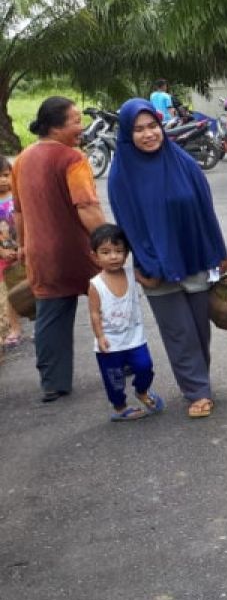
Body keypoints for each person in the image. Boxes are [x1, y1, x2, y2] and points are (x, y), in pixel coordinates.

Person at [108, 98, 227, 419]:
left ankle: (199, 380)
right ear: (126, 134)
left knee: (199, 330)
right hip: (154, 266)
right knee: (179, 333)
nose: (148, 135)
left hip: (194, 255)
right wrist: (147, 264)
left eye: (152, 127)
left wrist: (219, 252)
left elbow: (205, 210)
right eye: (139, 130)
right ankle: (197, 391)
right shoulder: (122, 174)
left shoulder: (182, 162)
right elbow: (129, 224)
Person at [11, 96, 106, 402]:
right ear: (55, 126)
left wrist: (24, 245)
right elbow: (86, 205)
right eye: (76, 121)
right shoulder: (72, 158)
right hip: (76, 250)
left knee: (51, 317)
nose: (81, 127)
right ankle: (123, 361)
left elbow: (19, 211)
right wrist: (108, 238)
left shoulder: (22, 158)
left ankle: (53, 382)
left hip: (41, 253)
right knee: (107, 301)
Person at [86, 224, 164, 422]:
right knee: (114, 379)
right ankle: (120, 407)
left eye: (118, 251)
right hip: (110, 343)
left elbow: (150, 283)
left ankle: (142, 391)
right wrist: (100, 336)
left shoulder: (131, 273)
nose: (113, 256)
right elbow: (94, 313)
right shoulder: (96, 284)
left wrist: (160, 271)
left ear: (127, 253)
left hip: (134, 338)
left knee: (145, 366)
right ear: (95, 256)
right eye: (105, 252)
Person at [0, 154, 22, 347]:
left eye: (6, 174)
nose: (3, 180)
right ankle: (14, 328)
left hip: (23, 250)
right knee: (9, 294)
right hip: (3, 255)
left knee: (32, 287)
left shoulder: (18, 196)